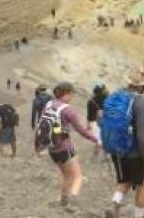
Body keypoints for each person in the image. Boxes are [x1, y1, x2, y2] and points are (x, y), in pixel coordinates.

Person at [101, 70, 144, 218]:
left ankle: (114, 205)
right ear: (143, 86)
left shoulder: (114, 96)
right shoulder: (142, 102)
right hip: (135, 151)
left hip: (116, 149)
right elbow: (142, 136)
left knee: (123, 181)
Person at [34, 82, 99, 210]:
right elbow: (82, 131)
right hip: (65, 148)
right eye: (73, 94)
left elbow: (40, 125)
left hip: (52, 148)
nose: (73, 96)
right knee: (77, 176)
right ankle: (72, 202)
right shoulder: (68, 110)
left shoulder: (48, 105)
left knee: (66, 175)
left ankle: (64, 200)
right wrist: (97, 139)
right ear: (68, 93)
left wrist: (37, 145)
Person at [87, 83, 107, 157]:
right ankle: (105, 154)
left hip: (94, 122)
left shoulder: (91, 101)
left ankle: (95, 154)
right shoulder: (108, 99)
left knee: (97, 139)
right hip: (106, 121)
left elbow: (89, 115)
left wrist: (88, 124)